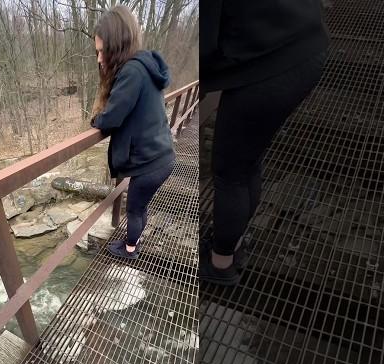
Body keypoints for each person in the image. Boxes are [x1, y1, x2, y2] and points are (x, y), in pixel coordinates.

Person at [199, 0, 329, 285]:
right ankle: (232, 242)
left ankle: (221, 264)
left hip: (271, 63)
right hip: (303, 40)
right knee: (248, 160)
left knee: (229, 171)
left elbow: (204, 42)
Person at [90, 5, 175, 260]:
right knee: (140, 205)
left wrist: (96, 120)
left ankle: (129, 250)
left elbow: (112, 117)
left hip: (151, 164)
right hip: (161, 157)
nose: (98, 59)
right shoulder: (144, 67)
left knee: (135, 209)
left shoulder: (132, 72)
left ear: (116, 45)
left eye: (101, 51)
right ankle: (132, 243)